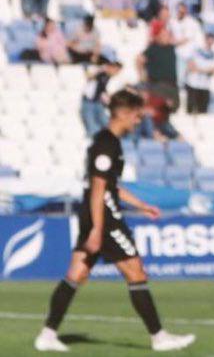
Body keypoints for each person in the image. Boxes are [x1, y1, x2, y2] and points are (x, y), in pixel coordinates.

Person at [34, 89, 195, 353]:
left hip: (93, 213)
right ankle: (159, 337)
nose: (138, 122)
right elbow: (99, 188)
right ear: (125, 114)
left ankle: (47, 335)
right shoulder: (107, 144)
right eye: (136, 117)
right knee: (136, 271)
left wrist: (141, 205)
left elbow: (110, 185)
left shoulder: (106, 142)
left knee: (77, 273)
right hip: (105, 218)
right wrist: (98, 228)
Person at [81, 61, 123, 136]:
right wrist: (100, 69)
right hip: (89, 102)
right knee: (91, 125)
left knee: (105, 122)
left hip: (97, 102)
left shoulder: (107, 77)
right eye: (116, 70)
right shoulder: (101, 73)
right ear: (111, 67)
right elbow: (89, 77)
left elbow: (102, 90)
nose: (116, 73)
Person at [185, 33, 214, 114]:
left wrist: (199, 69)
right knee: (190, 110)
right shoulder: (196, 51)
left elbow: (212, 71)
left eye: (212, 40)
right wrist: (205, 70)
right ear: (205, 39)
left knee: (203, 112)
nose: (210, 42)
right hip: (193, 84)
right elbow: (191, 67)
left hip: (205, 86)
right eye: (208, 39)